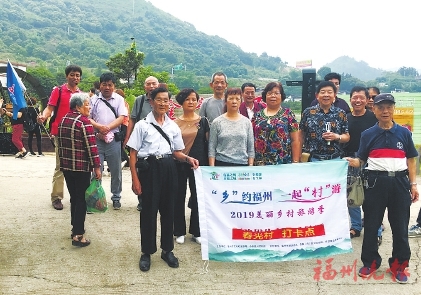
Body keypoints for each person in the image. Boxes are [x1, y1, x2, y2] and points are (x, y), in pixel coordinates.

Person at [345, 93, 419, 284]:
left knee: (400, 227)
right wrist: (351, 162)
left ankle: (399, 266)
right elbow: (361, 159)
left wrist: (413, 184)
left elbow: (411, 158)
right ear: (374, 110)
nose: (385, 111)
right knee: (371, 225)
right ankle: (370, 262)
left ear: (394, 108)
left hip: (400, 184)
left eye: (389, 107)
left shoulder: (404, 133)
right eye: (381, 107)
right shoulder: (368, 134)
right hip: (374, 183)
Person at [127, 87, 199, 272]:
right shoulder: (142, 125)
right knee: (149, 212)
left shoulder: (172, 126)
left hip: (169, 168)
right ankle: (146, 252)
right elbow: (133, 154)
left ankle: (167, 250)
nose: (162, 103)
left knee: (169, 211)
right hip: (149, 170)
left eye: (166, 100)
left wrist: (188, 158)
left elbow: (176, 152)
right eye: (158, 100)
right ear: (151, 101)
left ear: (170, 103)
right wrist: (135, 180)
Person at [57, 93, 101, 247]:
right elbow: (92, 148)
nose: (89, 107)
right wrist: (97, 167)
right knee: (81, 199)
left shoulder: (63, 120)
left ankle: (74, 228)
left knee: (74, 198)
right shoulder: (84, 122)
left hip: (67, 167)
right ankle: (78, 235)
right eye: (87, 104)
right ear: (78, 106)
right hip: (81, 168)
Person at [38, 64, 82, 210]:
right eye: (72, 74)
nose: (75, 77)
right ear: (66, 76)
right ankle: (56, 197)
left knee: (77, 167)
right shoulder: (59, 90)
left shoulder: (81, 95)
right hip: (60, 133)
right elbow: (49, 108)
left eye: (77, 75)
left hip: (76, 134)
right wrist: (43, 116)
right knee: (60, 166)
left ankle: (76, 196)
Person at [173, 88, 210, 245]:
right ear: (181, 102)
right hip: (179, 163)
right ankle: (179, 231)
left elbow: (208, 144)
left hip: (198, 165)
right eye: (187, 99)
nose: (191, 102)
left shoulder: (203, 121)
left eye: (194, 99)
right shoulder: (174, 123)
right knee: (178, 197)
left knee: (197, 197)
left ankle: (197, 231)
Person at [342, 86, 378, 241]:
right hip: (351, 160)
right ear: (350, 99)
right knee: (353, 195)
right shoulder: (345, 118)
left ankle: (375, 230)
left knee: (372, 196)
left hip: (371, 160)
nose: (357, 100)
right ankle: (356, 227)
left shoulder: (374, 117)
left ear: (367, 99)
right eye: (354, 97)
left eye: (361, 97)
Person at [89, 72, 127, 210]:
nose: (107, 87)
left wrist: (108, 128)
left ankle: (116, 197)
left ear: (114, 86)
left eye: (110, 85)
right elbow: (88, 117)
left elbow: (122, 118)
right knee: (96, 169)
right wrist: (99, 128)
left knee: (116, 170)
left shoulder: (119, 100)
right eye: (104, 84)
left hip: (113, 141)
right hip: (97, 140)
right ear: (100, 85)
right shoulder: (93, 100)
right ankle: (95, 198)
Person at [123, 76, 159, 211]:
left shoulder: (162, 99)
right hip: (141, 139)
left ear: (158, 85)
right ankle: (142, 199)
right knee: (141, 168)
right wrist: (128, 137)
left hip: (156, 140)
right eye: (148, 84)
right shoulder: (140, 100)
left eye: (154, 84)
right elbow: (132, 119)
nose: (151, 86)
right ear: (145, 87)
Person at [300, 81, 350, 162]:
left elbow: (347, 136)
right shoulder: (308, 113)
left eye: (330, 92)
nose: (326, 95)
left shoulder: (341, 113)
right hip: (313, 158)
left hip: (335, 158)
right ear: (317, 95)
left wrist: (337, 137)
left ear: (334, 95)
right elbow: (301, 135)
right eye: (322, 92)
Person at [252, 82, 300, 165]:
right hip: (260, 162)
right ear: (265, 96)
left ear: (281, 96)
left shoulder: (288, 114)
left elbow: (295, 140)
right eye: (270, 93)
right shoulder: (257, 115)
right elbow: (251, 138)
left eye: (276, 93)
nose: (273, 96)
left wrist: (295, 161)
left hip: (282, 162)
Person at [208, 88, 254, 166]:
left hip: (242, 164)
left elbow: (251, 147)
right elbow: (212, 147)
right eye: (231, 98)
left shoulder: (246, 122)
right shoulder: (217, 122)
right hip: (222, 163)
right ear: (225, 101)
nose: (234, 102)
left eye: (237, 99)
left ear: (241, 102)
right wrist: (212, 168)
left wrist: (250, 165)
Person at [115, 88, 130, 168]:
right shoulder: (126, 103)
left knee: (118, 144)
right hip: (125, 124)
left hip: (122, 125)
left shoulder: (121, 103)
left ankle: (125, 159)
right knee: (119, 144)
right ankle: (125, 160)